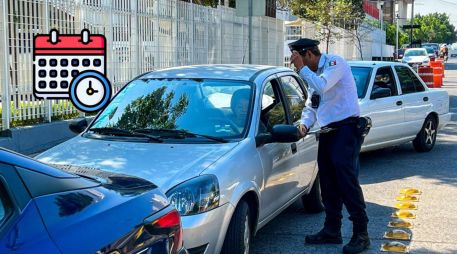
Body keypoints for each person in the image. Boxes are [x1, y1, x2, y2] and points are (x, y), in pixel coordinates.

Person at [289, 38, 370, 254]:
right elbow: (312, 103)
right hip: (327, 132)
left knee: (347, 181)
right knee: (327, 182)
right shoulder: (314, 75)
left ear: (308, 54)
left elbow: (322, 87)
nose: (298, 65)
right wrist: (304, 125)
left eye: (298, 59)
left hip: (346, 129)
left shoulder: (335, 63)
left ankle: (361, 233)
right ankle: (332, 229)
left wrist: (302, 70)